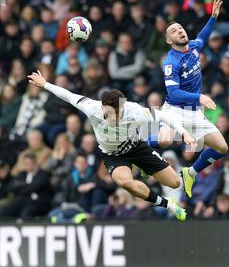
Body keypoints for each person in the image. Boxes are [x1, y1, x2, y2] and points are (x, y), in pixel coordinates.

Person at [27, 70, 197, 221]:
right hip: (113, 154)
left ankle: (146, 166)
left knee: (175, 183)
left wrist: (184, 133)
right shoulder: (91, 107)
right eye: (107, 114)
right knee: (126, 182)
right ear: (102, 108)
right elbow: (68, 95)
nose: (111, 119)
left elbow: (164, 116)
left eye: (116, 114)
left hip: (136, 147)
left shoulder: (135, 111)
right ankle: (169, 206)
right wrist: (45, 84)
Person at [150, 0, 228, 198]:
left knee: (222, 147)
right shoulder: (170, 62)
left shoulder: (193, 47)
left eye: (180, 28)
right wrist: (199, 97)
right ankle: (136, 146)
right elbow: (174, 93)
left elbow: (203, 36)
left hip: (194, 113)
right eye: (174, 31)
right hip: (174, 110)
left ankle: (190, 173)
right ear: (169, 41)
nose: (180, 31)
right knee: (165, 141)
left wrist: (212, 17)